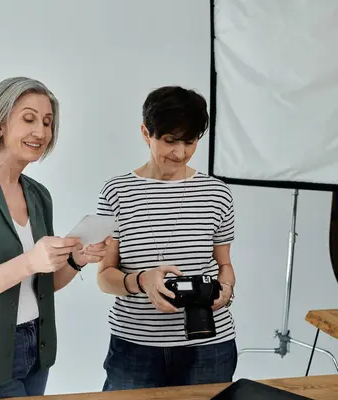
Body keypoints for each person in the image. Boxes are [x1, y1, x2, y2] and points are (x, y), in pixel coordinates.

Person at [0, 76, 112, 400]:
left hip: (36, 350)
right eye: (29, 119)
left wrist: (75, 259)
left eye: (47, 122)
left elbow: (45, 284)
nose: (42, 132)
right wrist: (30, 261)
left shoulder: (38, 195)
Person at [95, 85, 238, 390]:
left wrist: (225, 289)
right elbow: (105, 276)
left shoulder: (217, 193)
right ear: (146, 133)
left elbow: (224, 265)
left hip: (209, 345)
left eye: (190, 142)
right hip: (135, 347)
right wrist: (142, 281)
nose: (181, 153)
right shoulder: (116, 192)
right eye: (170, 141)